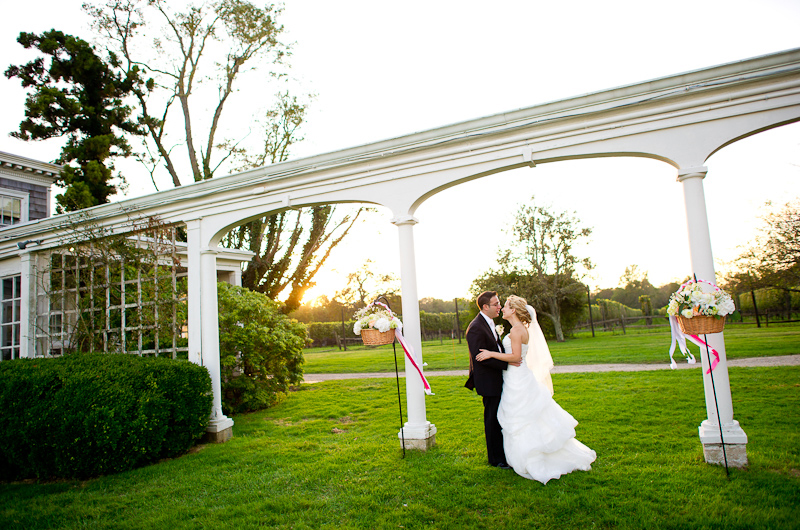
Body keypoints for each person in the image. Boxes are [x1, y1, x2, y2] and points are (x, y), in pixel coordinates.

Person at [476, 295, 596, 483]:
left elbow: (515, 357)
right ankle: (523, 454)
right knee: (522, 417)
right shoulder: (518, 329)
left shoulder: (516, 331)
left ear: (513, 310)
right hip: (516, 377)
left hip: (517, 378)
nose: (503, 309)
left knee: (520, 418)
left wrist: (491, 353)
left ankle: (530, 457)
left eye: (505, 306)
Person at [465, 291, 519, 469]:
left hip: (498, 378)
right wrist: (509, 363)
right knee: (492, 419)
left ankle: (503, 454)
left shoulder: (489, 323)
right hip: (488, 381)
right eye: (496, 304)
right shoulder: (475, 328)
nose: (499, 307)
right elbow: (481, 358)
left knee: (499, 417)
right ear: (485, 307)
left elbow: (494, 350)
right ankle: (496, 459)